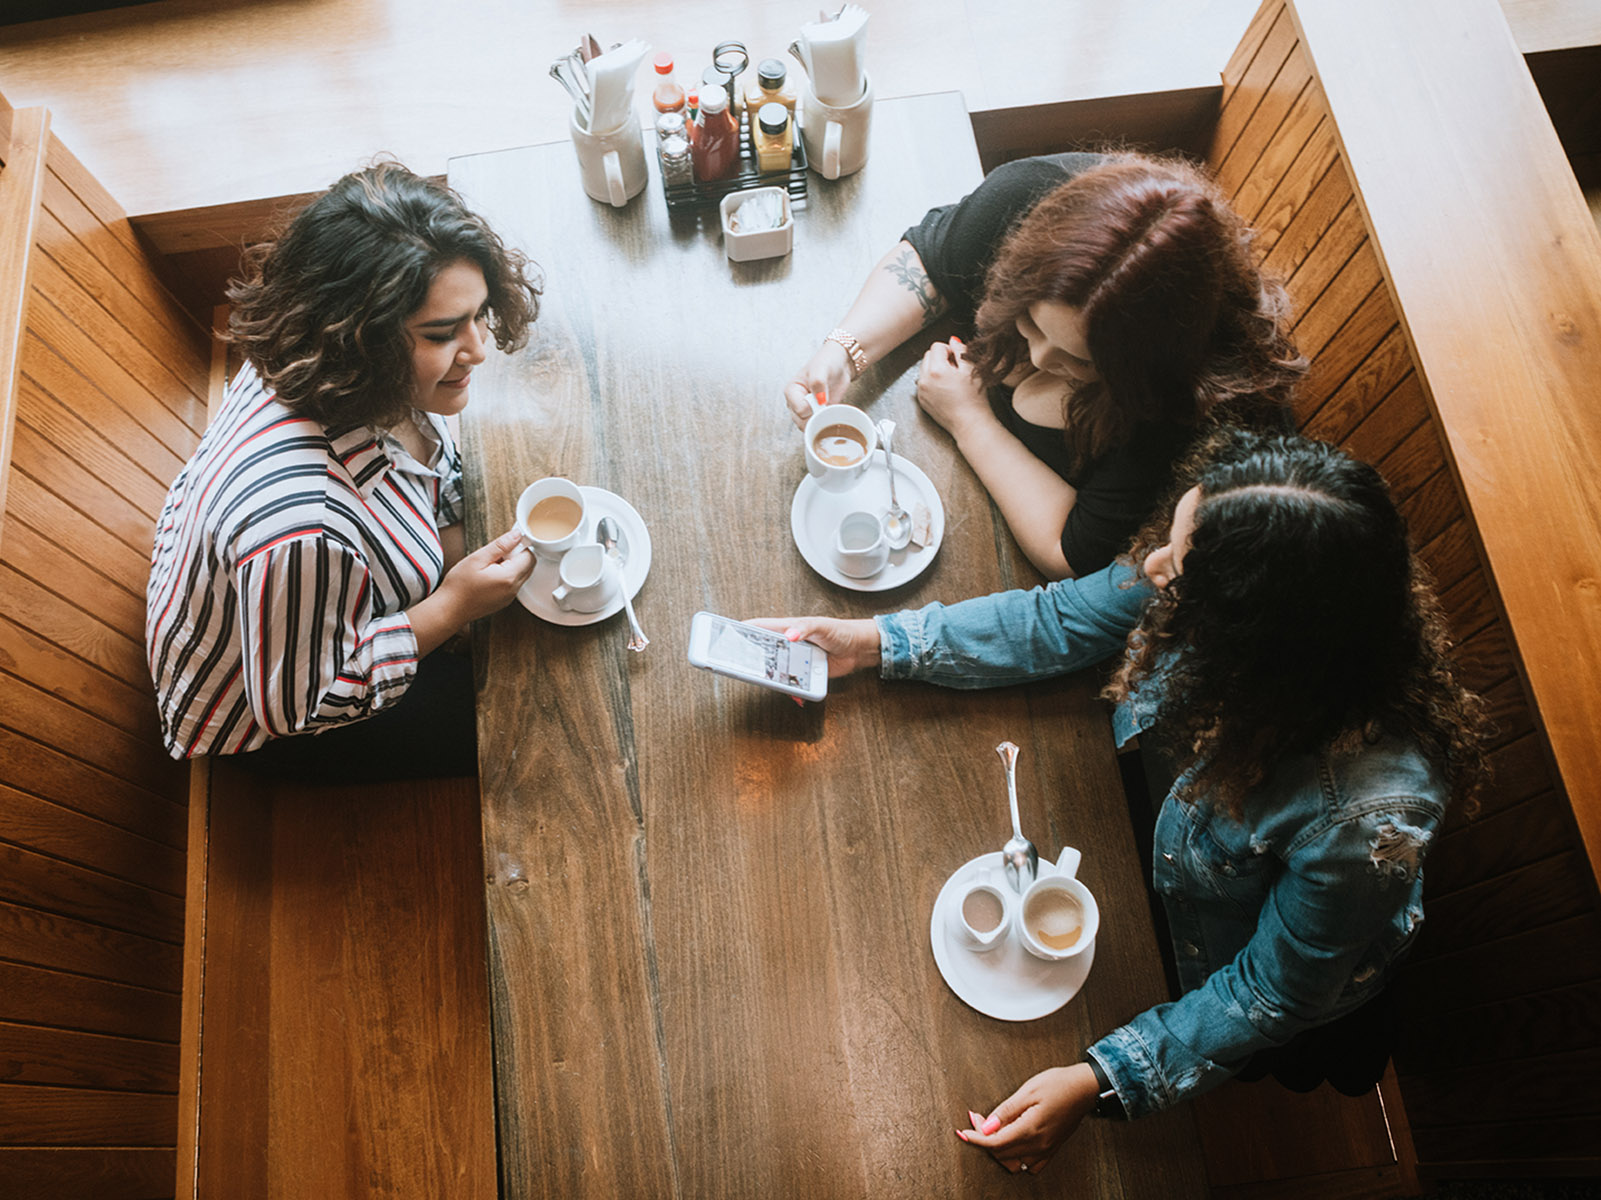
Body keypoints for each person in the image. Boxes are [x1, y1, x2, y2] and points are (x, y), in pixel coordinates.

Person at [755, 431, 1489, 1174]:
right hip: (1174, 842)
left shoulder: (1365, 816)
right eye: (1170, 538)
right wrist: (872, 642)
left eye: (1176, 571)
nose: (1150, 567)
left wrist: (1100, 1079)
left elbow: (1272, 990)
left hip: (1229, 955)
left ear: (1257, 638)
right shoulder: (1230, 565)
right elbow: (1061, 619)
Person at [146, 162, 542, 781]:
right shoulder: (305, 528)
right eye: (443, 333)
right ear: (362, 337)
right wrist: (452, 607)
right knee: (535, 720)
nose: (479, 349)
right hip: (274, 719)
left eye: (480, 313)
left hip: (289, 604)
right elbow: (301, 706)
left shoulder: (314, 352)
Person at [782, 152, 1305, 580]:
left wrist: (969, 418)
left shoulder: (1175, 398)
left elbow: (1068, 550)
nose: (1037, 359)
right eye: (1031, 326)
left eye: (1079, 361)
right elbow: (931, 260)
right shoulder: (1022, 200)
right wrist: (845, 351)